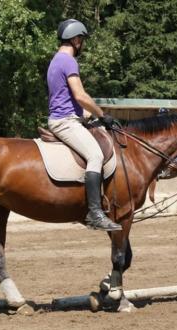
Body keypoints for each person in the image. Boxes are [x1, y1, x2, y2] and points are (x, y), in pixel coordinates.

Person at [46, 19, 122, 232]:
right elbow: (80, 96)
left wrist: (90, 117)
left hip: (67, 118)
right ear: (76, 39)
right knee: (96, 156)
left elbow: (65, 99)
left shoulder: (55, 60)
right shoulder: (69, 61)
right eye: (82, 40)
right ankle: (95, 213)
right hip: (64, 122)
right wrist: (103, 114)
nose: (83, 44)